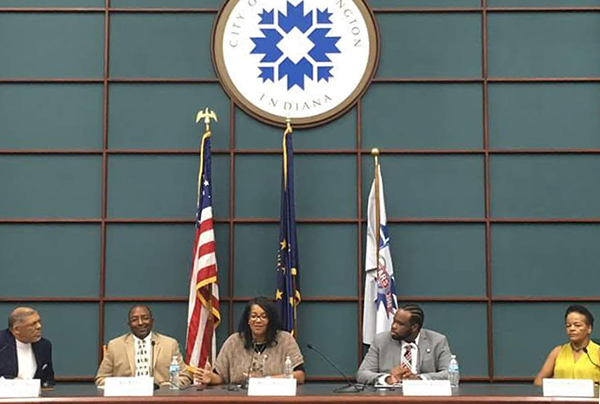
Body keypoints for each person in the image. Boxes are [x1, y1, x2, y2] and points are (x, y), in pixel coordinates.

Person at [194, 297, 305, 385]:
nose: (258, 321)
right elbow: (220, 377)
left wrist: (264, 380)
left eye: (263, 317)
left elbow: (299, 376)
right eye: (254, 316)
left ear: (270, 320)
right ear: (248, 320)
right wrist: (211, 378)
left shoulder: (285, 340)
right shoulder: (234, 342)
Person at [95, 304, 191, 388]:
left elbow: (185, 377)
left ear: (152, 321)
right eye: (134, 320)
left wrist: (167, 386)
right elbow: (100, 380)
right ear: (129, 324)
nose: (140, 323)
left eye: (145, 318)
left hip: (160, 398)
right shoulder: (115, 346)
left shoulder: (170, 344)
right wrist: (125, 385)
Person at [357, 303, 452, 385]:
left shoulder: (437, 341)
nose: (394, 326)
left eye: (400, 324)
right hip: (390, 397)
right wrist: (387, 379)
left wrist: (419, 379)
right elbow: (362, 374)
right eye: (394, 321)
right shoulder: (381, 341)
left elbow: (450, 374)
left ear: (414, 327)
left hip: (424, 397)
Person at [534, 305, 600, 385]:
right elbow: (538, 381)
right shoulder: (558, 351)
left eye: (577, 325)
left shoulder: (597, 352)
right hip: (560, 396)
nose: (572, 329)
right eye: (568, 325)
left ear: (589, 328)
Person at [0, 307, 54, 387]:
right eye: (33, 324)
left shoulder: (44, 345)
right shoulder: (2, 343)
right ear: (16, 329)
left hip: (35, 397)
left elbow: (48, 380)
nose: (39, 326)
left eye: (39, 321)